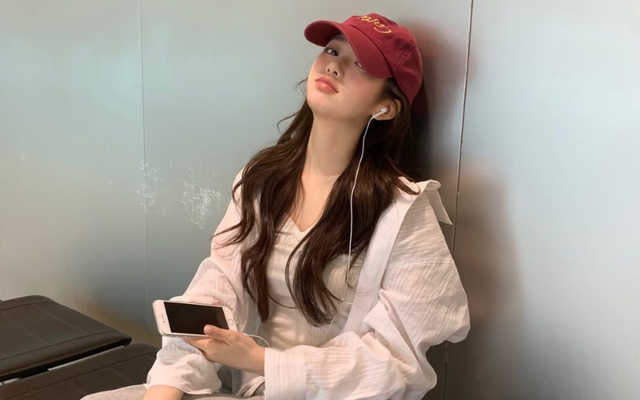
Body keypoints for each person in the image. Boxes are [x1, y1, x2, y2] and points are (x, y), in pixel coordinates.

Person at [83, 12, 470, 400]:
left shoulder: (403, 211)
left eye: (361, 65)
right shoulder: (263, 180)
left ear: (385, 108)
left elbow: (396, 363)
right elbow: (217, 290)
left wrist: (261, 361)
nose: (334, 65)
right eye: (332, 50)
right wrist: (166, 388)